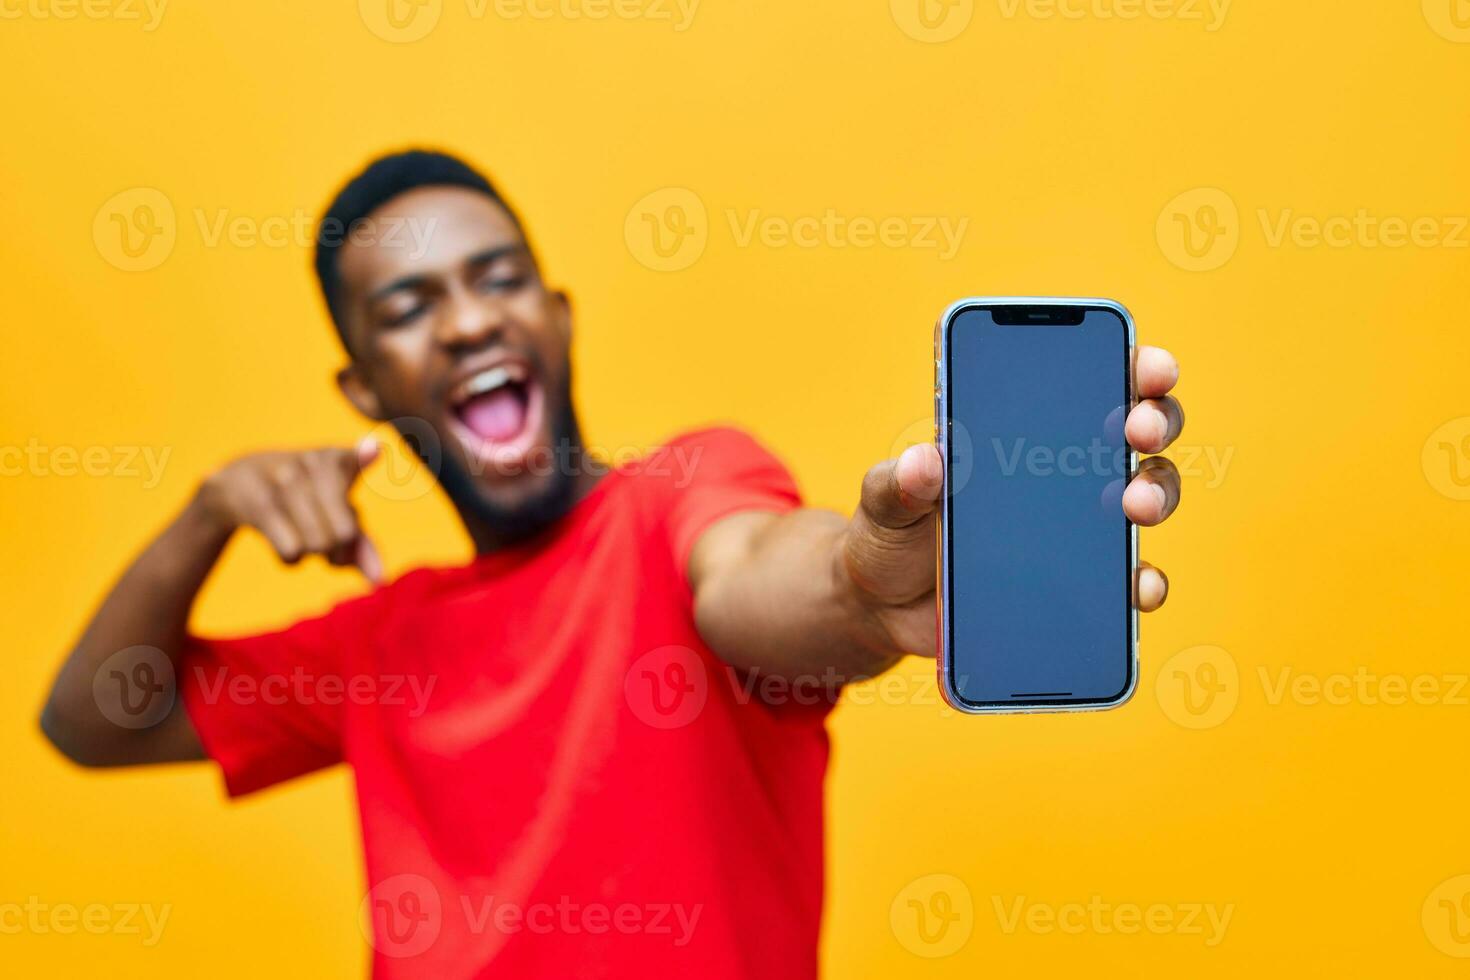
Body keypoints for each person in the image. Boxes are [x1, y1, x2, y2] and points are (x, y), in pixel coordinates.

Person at [40, 150, 1185, 978]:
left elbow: (744, 575)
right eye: (407, 305)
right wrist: (206, 512)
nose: (467, 321)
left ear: (558, 316)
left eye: (497, 278)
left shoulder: (681, 489)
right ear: (363, 388)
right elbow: (91, 720)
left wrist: (860, 581)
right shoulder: (377, 644)